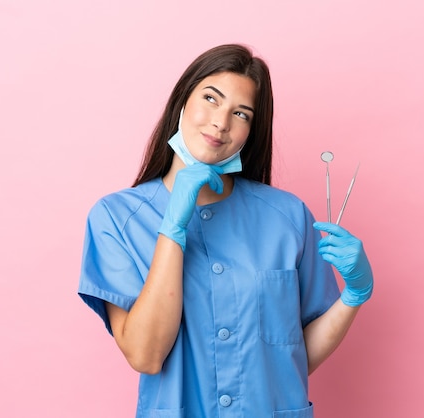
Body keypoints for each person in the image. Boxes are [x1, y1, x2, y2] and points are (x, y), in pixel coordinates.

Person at [78, 43, 373, 418]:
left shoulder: (287, 217)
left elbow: (295, 356)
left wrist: (355, 295)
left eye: (241, 113)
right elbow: (145, 356)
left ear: (252, 131)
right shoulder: (116, 218)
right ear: (181, 101)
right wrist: (173, 226)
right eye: (211, 99)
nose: (221, 122)